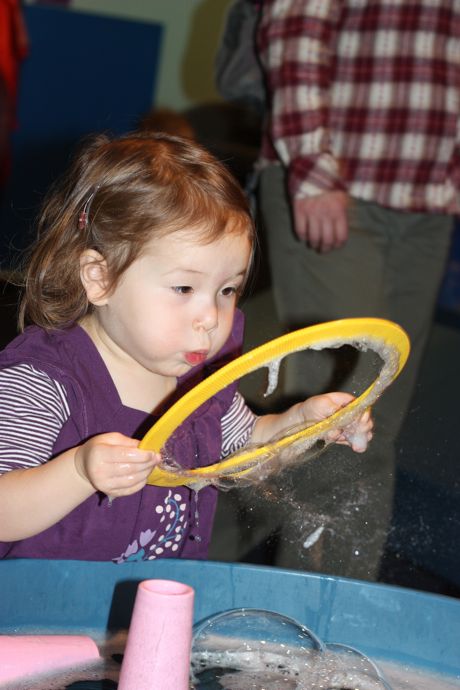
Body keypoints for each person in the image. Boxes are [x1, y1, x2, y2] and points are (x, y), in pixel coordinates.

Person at [0, 132, 372, 562]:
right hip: (39, 619)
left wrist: (303, 424)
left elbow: (246, 452)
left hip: (154, 612)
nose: (211, 317)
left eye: (228, 290)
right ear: (100, 279)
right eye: (184, 287)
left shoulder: (199, 384)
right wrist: (78, 471)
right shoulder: (42, 380)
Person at [254, 0, 458, 578]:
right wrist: (313, 166)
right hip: (343, 178)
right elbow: (296, 23)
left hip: (429, 196)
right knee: (338, 413)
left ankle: (337, 622)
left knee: (376, 425)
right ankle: (304, 623)